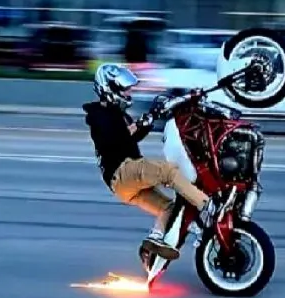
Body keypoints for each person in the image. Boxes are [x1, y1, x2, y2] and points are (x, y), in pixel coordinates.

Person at [83, 64, 215, 261]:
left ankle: (153, 244)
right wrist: (139, 125)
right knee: (168, 171)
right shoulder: (98, 116)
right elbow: (116, 138)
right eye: (123, 90)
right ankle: (207, 206)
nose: (127, 94)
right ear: (109, 89)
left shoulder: (115, 114)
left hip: (123, 186)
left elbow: (132, 136)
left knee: (168, 208)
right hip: (124, 171)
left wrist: (150, 119)